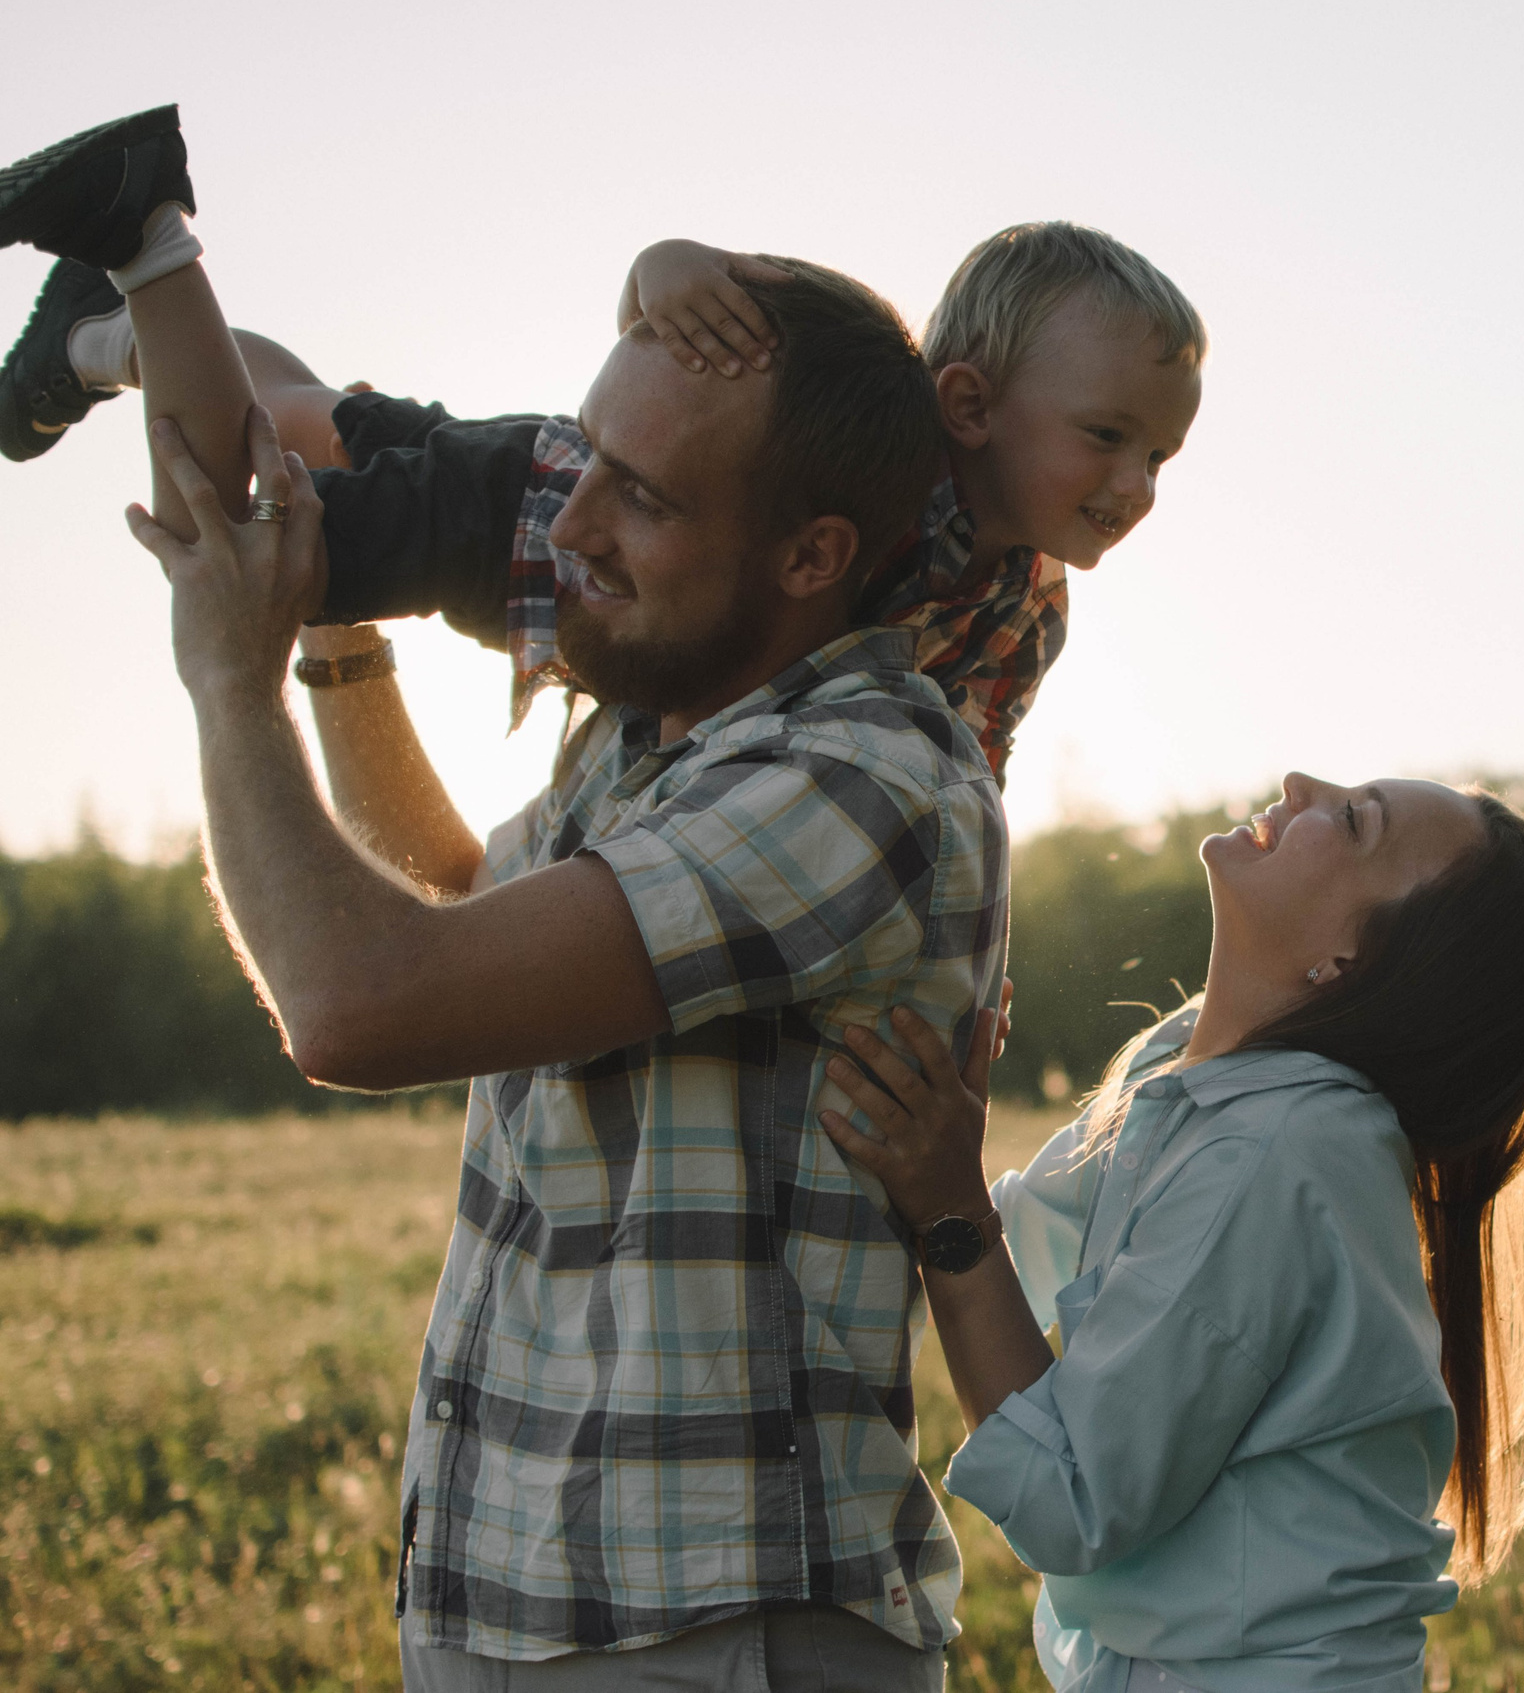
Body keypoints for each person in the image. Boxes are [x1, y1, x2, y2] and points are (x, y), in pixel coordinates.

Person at [2, 106, 1012, 1689]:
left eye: (642, 498)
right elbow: (465, 909)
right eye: (583, 460)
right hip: (522, 1608)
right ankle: (134, 290)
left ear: (815, 553)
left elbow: (365, 1000)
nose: (569, 523)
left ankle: (141, 274)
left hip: (712, 1632)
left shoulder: (866, 774)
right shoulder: (655, 739)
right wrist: (336, 644)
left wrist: (231, 682)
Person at [2, 111, 1206, 786]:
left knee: (310, 420)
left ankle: (106, 342)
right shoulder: (855, 390)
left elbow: (964, 780)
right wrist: (663, 266)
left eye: (1161, 455)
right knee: (254, 520)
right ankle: (136, 273)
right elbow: (687, 291)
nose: (1135, 485)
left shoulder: (1024, 608)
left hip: (593, 574)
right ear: (968, 398)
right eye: (1107, 437)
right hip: (532, 517)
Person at [817, 774, 1524, 1692]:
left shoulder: (1278, 1152)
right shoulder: (1187, 1065)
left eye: (1355, 821)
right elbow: (1029, 1245)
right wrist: (939, 1138)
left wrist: (949, 1209)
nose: (1301, 784)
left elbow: (1073, 1493)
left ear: (1350, 961)